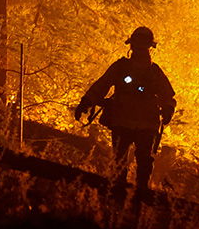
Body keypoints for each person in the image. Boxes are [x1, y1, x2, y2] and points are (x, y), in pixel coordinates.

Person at [74, 26, 176, 197]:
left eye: (143, 44)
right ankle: (122, 197)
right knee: (123, 161)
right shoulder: (124, 68)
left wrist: (168, 109)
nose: (140, 48)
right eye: (139, 43)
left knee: (139, 163)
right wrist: (86, 102)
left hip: (139, 124)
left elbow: (168, 97)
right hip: (126, 122)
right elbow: (102, 85)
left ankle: (136, 197)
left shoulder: (153, 72)